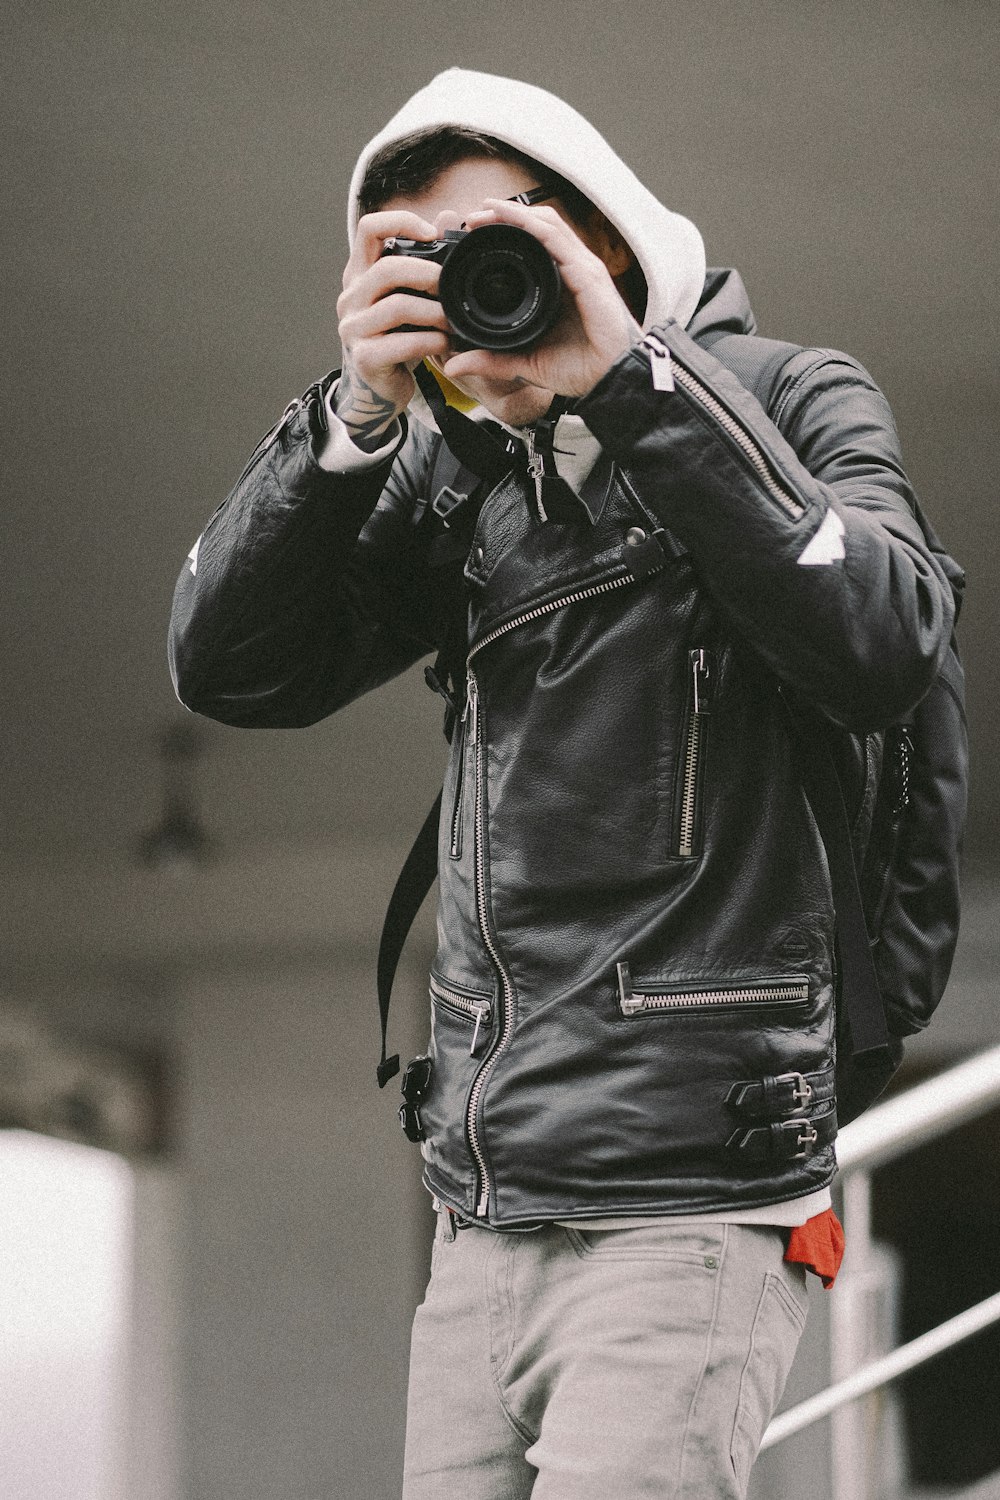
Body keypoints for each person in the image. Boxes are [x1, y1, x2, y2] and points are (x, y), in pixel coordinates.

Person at [169, 68, 955, 1500]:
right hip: (482, 1218)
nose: (481, 286)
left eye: (508, 243)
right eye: (425, 259)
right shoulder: (461, 482)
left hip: (694, 1199)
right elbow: (232, 667)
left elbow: (886, 636)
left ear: (606, 239)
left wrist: (639, 385)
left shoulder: (787, 394)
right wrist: (351, 417)